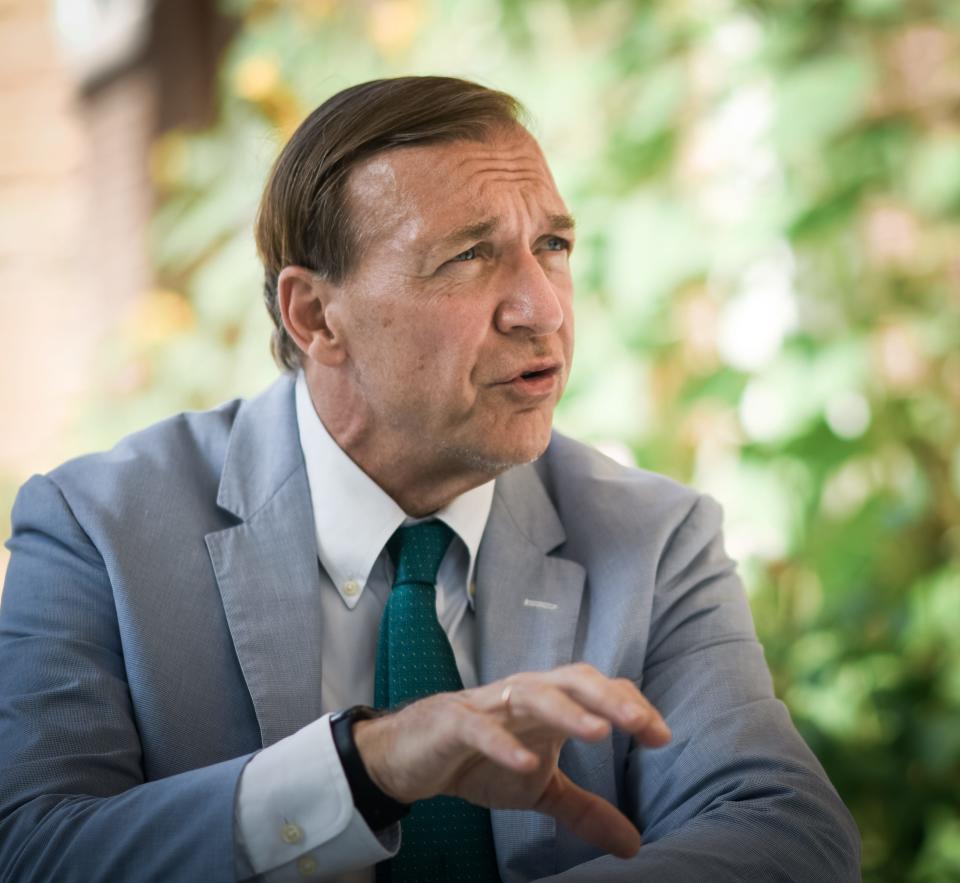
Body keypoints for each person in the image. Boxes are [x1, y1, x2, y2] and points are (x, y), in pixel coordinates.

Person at [0, 76, 860, 882]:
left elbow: (786, 831)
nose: (543, 308)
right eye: (469, 257)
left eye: (552, 245)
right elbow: (32, 849)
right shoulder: (95, 528)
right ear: (314, 315)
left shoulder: (657, 538)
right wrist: (365, 767)